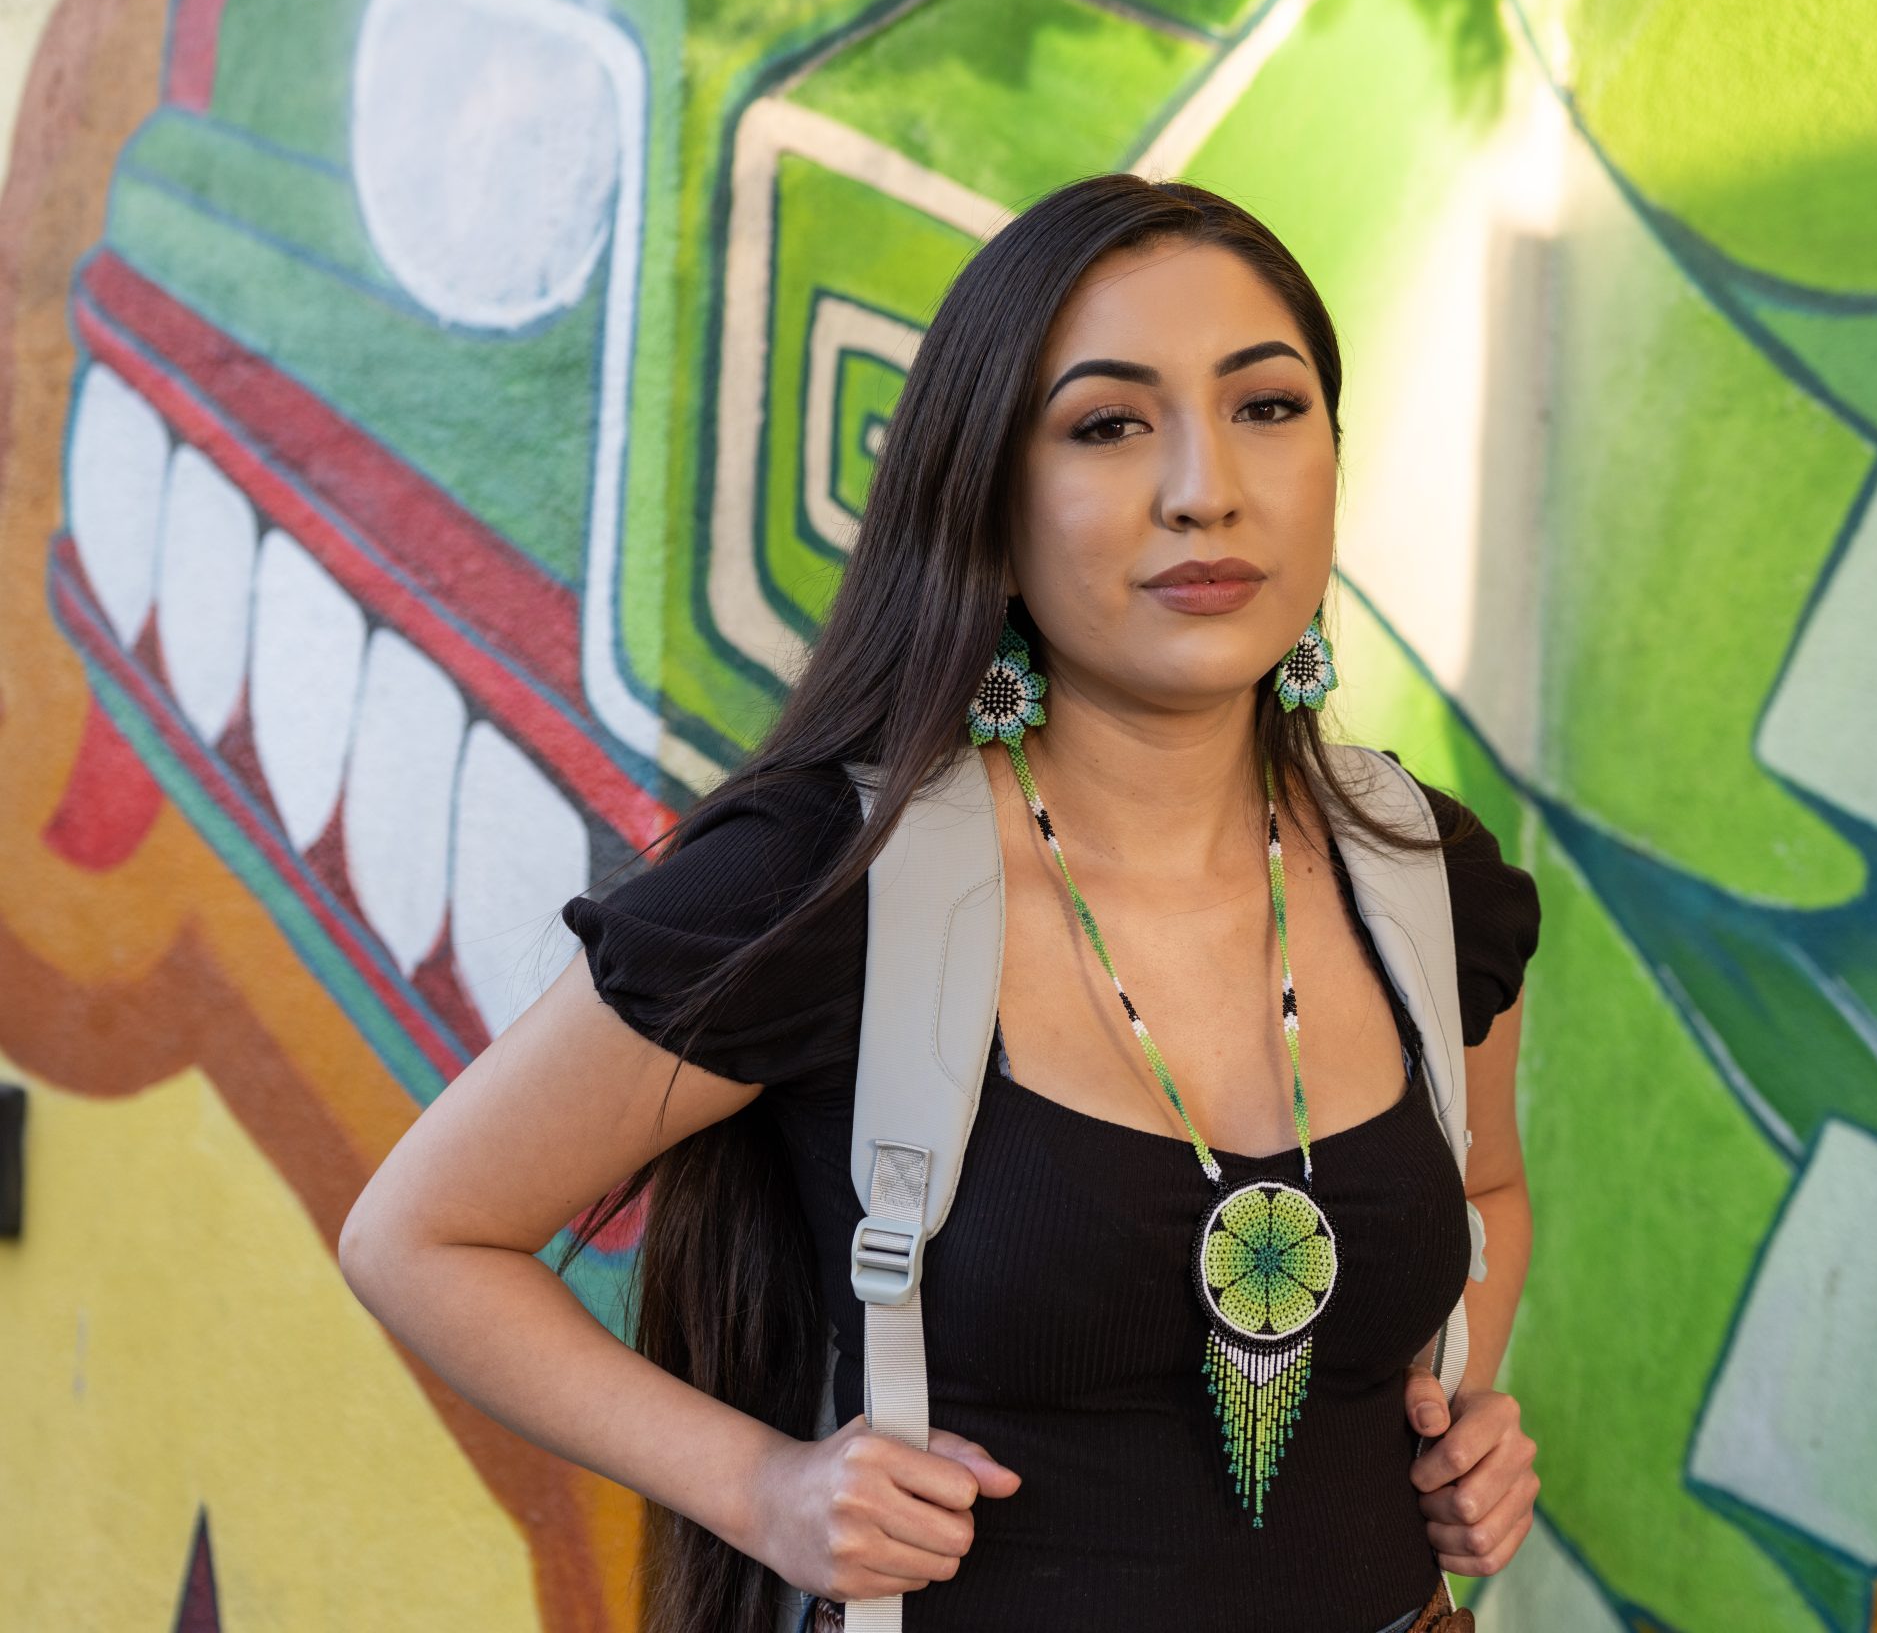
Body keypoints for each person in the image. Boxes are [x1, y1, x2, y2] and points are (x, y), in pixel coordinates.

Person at [337, 174, 1542, 1631]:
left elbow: (1482, 1189)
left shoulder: (1427, 874)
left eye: (1267, 407)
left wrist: (1464, 1404)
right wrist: (763, 1490)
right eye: (1108, 424)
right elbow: (422, 1233)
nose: (1203, 487)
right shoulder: (827, 884)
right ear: (987, 491)